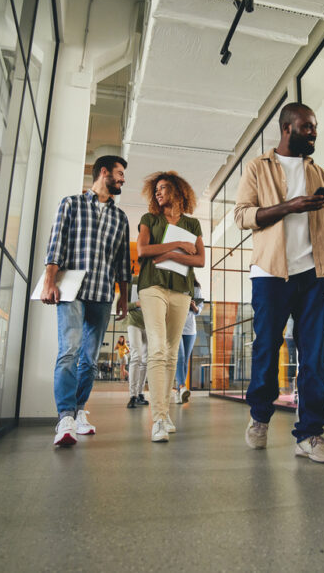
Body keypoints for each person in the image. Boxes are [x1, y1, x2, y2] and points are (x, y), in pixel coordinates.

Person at [234, 102, 324, 464]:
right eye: (308, 127)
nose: (313, 133)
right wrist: (289, 206)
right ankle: (260, 417)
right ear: (287, 128)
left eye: (315, 127)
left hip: (312, 273)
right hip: (270, 273)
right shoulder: (257, 167)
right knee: (267, 348)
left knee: (313, 354)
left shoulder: (318, 171)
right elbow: (243, 216)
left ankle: (310, 434)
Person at [41, 155, 131, 447]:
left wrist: (124, 299)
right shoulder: (71, 204)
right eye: (119, 174)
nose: (122, 179)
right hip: (73, 291)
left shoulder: (120, 218)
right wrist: (49, 281)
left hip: (103, 293)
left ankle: (80, 411)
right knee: (69, 351)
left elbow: (123, 263)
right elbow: (57, 243)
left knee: (89, 361)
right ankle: (65, 417)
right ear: (103, 172)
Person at [137, 171, 204, 442]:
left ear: (178, 191)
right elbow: (142, 251)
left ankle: (165, 415)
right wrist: (177, 245)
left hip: (181, 290)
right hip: (152, 286)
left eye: (163, 188)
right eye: (156, 190)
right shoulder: (149, 219)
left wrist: (162, 253)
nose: (158, 193)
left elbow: (199, 260)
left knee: (172, 352)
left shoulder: (193, 224)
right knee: (157, 348)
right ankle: (159, 418)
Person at [173, 279, 203, 403]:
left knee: (185, 361)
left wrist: (194, 306)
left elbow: (199, 309)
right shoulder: (174, 284)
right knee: (179, 357)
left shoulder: (196, 287)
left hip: (190, 329)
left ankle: (180, 392)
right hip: (176, 326)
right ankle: (181, 386)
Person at [125, 276, 149, 408]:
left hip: (149, 324)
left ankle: (140, 393)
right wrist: (136, 304)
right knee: (136, 357)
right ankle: (132, 395)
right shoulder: (133, 281)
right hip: (134, 323)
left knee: (145, 360)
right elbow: (123, 305)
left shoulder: (154, 281)